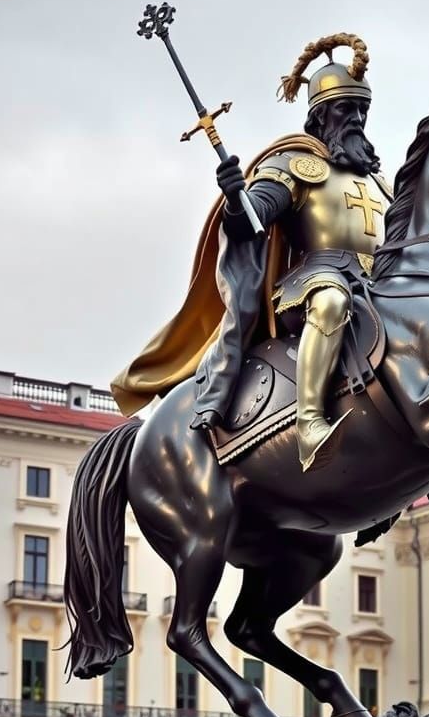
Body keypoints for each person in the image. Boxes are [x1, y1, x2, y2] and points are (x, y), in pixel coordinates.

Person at [112, 33, 392, 473]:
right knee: (332, 303)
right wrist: (236, 195)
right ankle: (310, 424)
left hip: (376, 287)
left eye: (361, 110)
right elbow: (255, 216)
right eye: (345, 109)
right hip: (316, 282)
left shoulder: (381, 185)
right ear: (320, 119)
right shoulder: (298, 164)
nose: (356, 119)